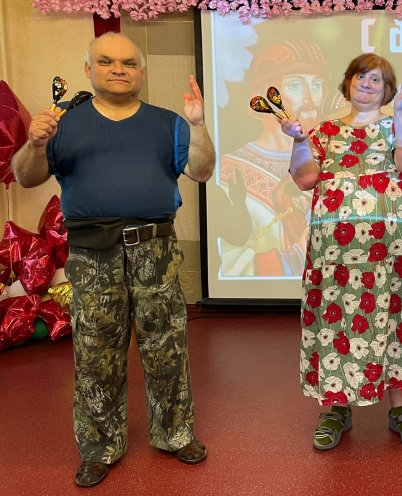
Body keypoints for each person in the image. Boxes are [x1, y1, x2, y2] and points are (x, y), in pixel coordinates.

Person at [11, 32, 216, 488]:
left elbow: (202, 171)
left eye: (128, 63)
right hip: (92, 254)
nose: (118, 69)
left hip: (155, 250)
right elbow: (25, 177)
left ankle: (176, 433)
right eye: (106, 61)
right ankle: (99, 447)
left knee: (166, 348)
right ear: (89, 69)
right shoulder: (63, 124)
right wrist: (35, 144)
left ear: (141, 71)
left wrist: (199, 126)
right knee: (95, 353)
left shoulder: (168, 123)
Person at [281, 53, 402, 451]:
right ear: (348, 83)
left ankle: (401, 410)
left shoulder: (397, 124)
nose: (367, 84)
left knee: (397, 323)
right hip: (336, 257)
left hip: (394, 255)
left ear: (388, 90)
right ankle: (336, 409)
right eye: (361, 76)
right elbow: (305, 178)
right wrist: (298, 141)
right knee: (338, 324)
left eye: (377, 79)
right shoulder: (325, 131)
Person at [218, 41, 339, 277]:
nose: (310, 97)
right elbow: (228, 260)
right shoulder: (230, 170)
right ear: (264, 97)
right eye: (295, 85)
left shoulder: (335, 160)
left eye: (317, 85)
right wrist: (292, 258)